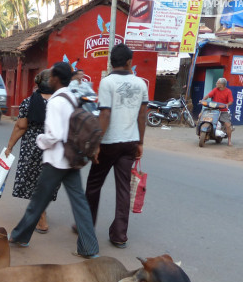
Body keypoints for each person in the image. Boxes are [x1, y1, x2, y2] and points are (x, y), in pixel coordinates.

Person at [8, 62, 100, 259]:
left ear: (56, 79)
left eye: (51, 77)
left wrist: (40, 140)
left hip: (56, 160)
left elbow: (54, 135)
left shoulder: (55, 102)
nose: (49, 80)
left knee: (37, 201)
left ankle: (19, 236)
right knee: (80, 204)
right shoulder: (72, 98)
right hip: (72, 158)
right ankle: (89, 248)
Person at [85, 43, 148, 250]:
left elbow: (105, 114)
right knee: (123, 189)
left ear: (111, 62)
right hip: (130, 142)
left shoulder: (107, 82)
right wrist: (140, 142)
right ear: (129, 62)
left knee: (94, 185)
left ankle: (86, 226)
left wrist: (96, 143)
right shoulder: (141, 84)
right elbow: (142, 115)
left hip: (108, 143)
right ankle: (120, 235)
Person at [4, 70, 58, 234]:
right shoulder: (60, 102)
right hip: (55, 148)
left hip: (33, 149)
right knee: (47, 181)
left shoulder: (29, 102)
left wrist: (10, 146)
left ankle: (41, 220)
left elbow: (21, 126)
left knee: (35, 182)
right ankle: (41, 213)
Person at [203, 77, 234, 146]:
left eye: (218, 83)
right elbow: (208, 95)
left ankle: (229, 140)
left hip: (223, 111)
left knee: (228, 125)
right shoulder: (215, 89)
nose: (216, 84)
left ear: (222, 85)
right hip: (213, 110)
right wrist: (203, 100)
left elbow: (231, 101)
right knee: (201, 116)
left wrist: (227, 104)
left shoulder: (228, 91)